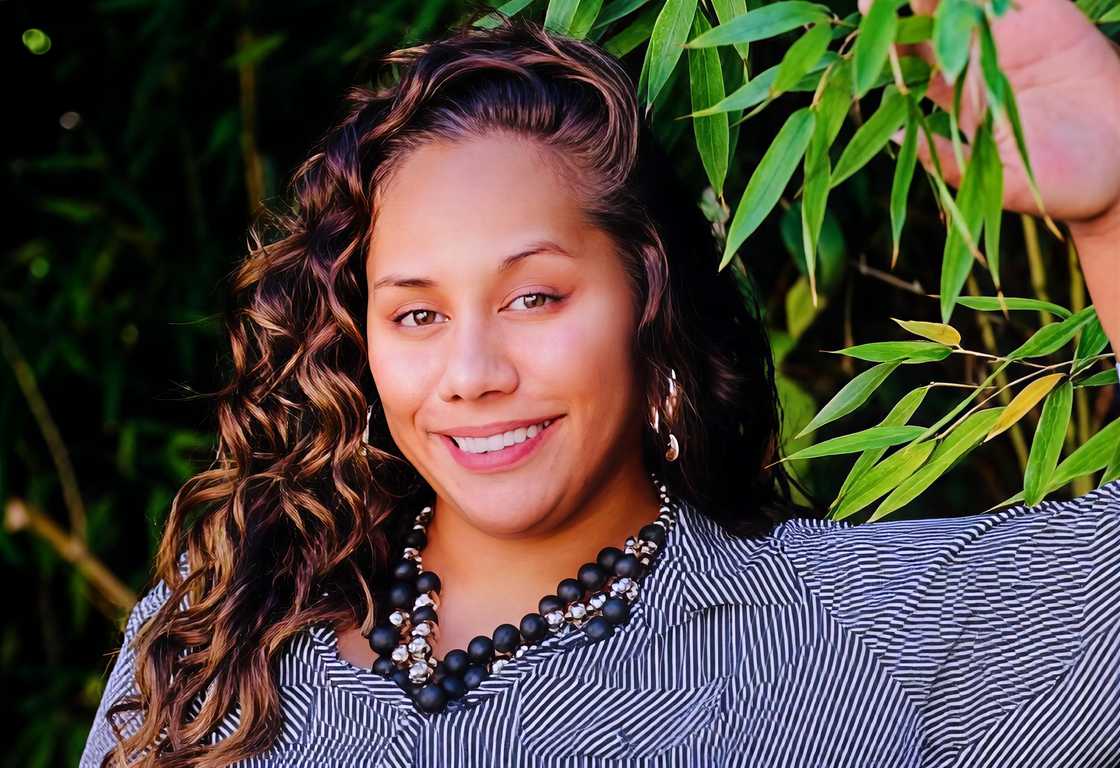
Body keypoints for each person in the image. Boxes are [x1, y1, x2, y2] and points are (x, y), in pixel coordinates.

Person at [81, 0, 1120, 765]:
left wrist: (1110, 199)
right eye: (416, 315)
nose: (474, 374)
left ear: (649, 303)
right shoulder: (214, 644)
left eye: (535, 298)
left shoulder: (860, 636)